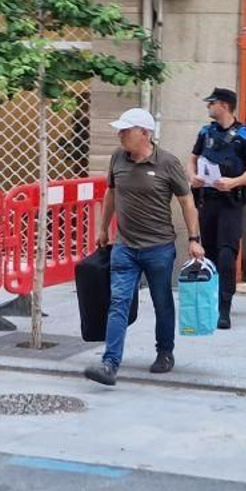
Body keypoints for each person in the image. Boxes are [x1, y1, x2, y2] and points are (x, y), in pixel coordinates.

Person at [84, 108, 205, 387]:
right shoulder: (117, 158)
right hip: (124, 246)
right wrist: (103, 228)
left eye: (126, 131)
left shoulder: (167, 163)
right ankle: (110, 363)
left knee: (162, 301)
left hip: (159, 248)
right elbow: (111, 193)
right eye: (120, 130)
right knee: (118, 302)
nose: (120, 135)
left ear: (145, 134)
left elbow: (187, 202)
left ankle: (165, 352)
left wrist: (194, 240)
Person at [190, 87, 246, 329]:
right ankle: (207, 304)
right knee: (207, 253)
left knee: (226, 254)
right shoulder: (205, 132)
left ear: (223, 105)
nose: (208, 107)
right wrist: (193, 176)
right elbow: (193, 158)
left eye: (212, 103)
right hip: (207, 199)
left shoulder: (244, 135)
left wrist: (234, 182)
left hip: (230, 202)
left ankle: (224, 307)